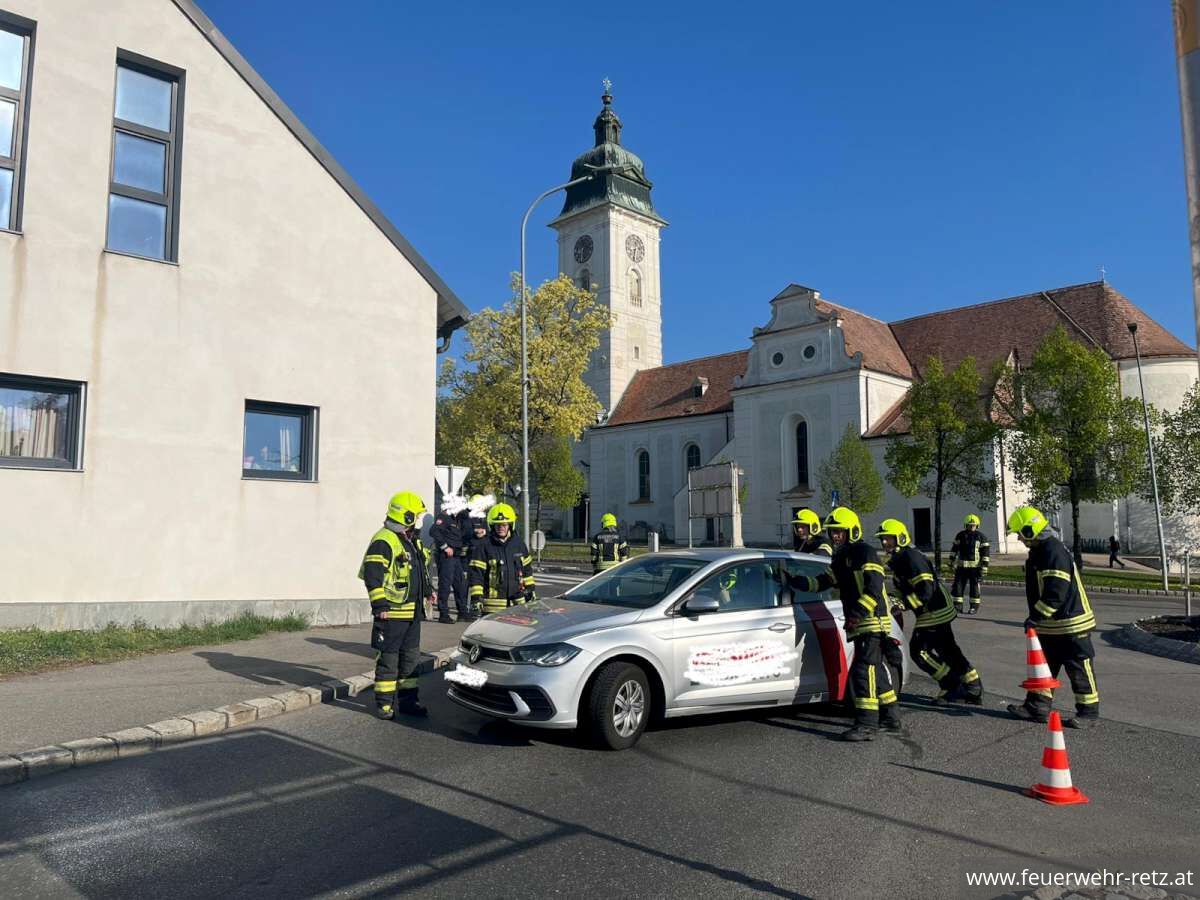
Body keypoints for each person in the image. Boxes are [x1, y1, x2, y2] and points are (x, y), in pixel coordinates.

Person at [790, 506, 899, 741]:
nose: (836, 536)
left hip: (873, 620)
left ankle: (867, 724)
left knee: (863, 670)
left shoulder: (866, 553)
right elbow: (825, 581)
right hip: (860, 621)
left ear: (852, 531)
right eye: (833, 532)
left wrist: (858, 613)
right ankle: (891, 717)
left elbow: (874, 588)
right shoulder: (840, 556)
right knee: (876, 670)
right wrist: (798, 581)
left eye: (840, 532)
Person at [1005, 506, 1100, 729]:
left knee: (1079, 668)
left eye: (1020, 533)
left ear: (1030, 530)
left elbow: (1056, 591)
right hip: (1053, 624)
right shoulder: (1042, 551)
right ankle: (1036, 707)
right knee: (1043, 668)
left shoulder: (1052, 551)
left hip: (1071, 623)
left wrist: (1036, 617)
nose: (1019, 537)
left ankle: (1088, 713)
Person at [876, 519, 982, 705]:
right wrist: (894, 597)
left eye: (889, 538)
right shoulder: (901, 558)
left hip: (933, 611)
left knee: (919, 652)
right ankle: (973, 685)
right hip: (934, 609)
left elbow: (926, 589)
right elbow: (908, 586)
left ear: (900, 538)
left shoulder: (911, 557)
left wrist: (903, 604)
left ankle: (951, 685)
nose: (885, 543)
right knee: (947, 649)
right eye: (883, 539)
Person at [359, 491, 434, 720]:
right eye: (417, 516)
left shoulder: (410, 541)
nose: (419, 521)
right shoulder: (385, 540)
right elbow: (373, 576)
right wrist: (380, 606)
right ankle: (384, 704)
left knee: (410, 662)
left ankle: (409, 702)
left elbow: (420, 571)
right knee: (389, 661)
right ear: (408, 516)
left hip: (412, 614)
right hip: (391, 614)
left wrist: (429, 592)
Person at [468, 503, 536, 615]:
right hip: (492, 606)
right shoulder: (484, 545)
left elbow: (527, 570)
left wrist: (531, 589)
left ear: (510, 525)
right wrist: (476, 598)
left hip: (517, 603)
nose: (501, 528)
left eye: (504, 524)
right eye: (497, 525)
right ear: (492, 525)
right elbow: (476, 575)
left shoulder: (519, 544)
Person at [429, 501, 473, 624]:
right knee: (445, 584)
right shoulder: (445, 517)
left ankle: (462, 612)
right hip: (446, 556)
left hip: (456, 556)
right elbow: (434, 532)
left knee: (460, 584)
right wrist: (445, 547)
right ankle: (443, 614)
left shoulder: (459, 519)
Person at [949, 514, 991, 614]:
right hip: (961, 567)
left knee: (974, 588)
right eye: (969, 525)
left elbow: (985, 554)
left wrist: (984, 567)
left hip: (975, 568)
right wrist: (951, 561)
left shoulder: (981, 537)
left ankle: (974, 607)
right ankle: (958, 607)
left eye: (973, 525)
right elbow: (954, 549)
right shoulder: (960, 535)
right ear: (965, 525)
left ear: (977, 525)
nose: (971, 527)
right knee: (958, 588)